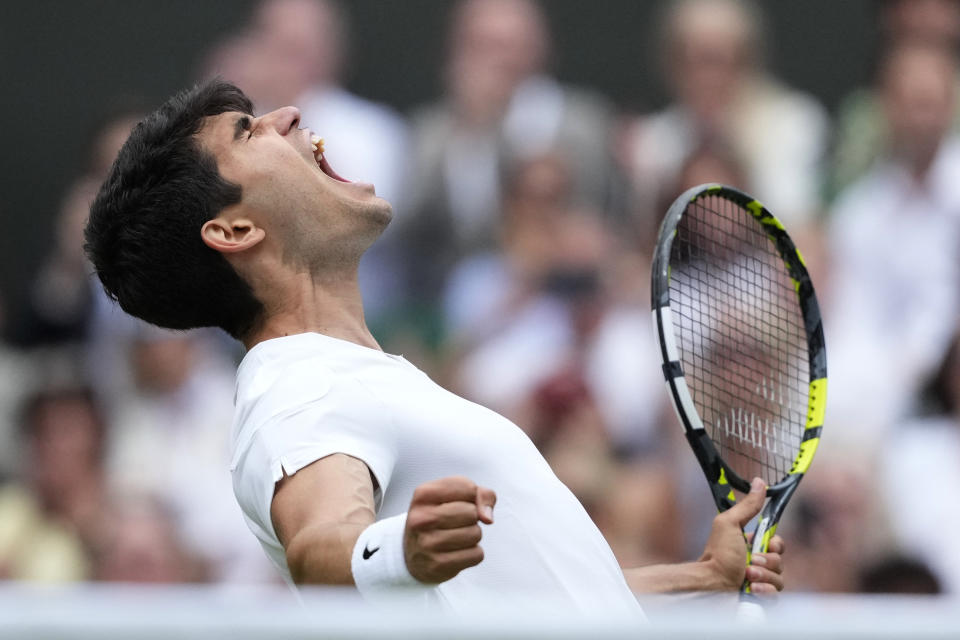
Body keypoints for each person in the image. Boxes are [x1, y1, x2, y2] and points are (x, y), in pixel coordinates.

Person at [84, 80, 784, 613]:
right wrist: (400, 548)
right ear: (234, 232)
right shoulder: (297, 388)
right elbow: (316, 543)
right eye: (247, 132)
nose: (287, 116)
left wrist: (699, 579)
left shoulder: (359, 380)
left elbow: (543, 604)